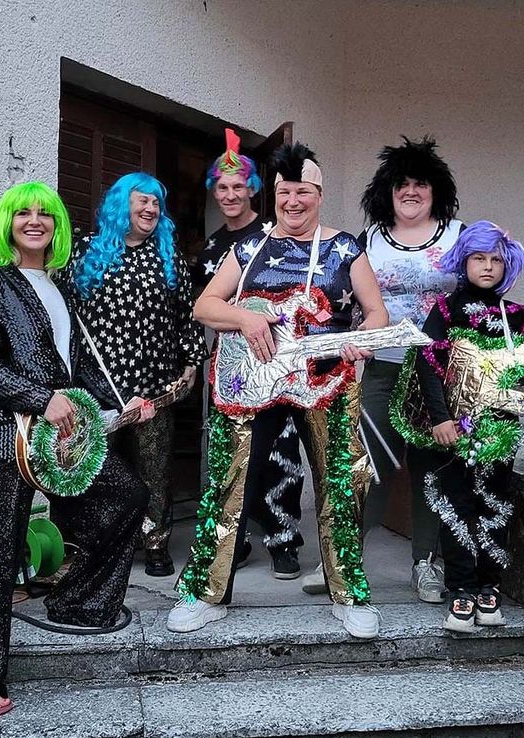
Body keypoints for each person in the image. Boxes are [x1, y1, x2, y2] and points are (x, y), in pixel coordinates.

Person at [0, 182, 151, 718]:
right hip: (7, 436)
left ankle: (78, 602)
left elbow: (80, 366)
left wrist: (121, 401)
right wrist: (40, 398)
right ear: (6, 224)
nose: (35, 221)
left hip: (63, 438)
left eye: (45, 214)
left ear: (57, 226)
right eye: (22, 213)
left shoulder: (60, 287)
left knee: (127, 496)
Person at [168, 142, 389, 639]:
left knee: (340, 483)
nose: (293, 201)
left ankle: (350, 594)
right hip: (255, 382)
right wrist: (245, 318)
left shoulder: (344, 248)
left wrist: (363, 340)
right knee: (229, 483)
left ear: (319, 195)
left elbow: (376, 311)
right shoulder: (248, 248)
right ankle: (205, 593)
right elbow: (205, 306)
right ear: (275, 195)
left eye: (303, 192)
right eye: (285, 192)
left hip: (326, 380)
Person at [302, 137, 463, 603]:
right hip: (382, 367)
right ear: (386, 192)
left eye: (420, 184)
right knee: (368, 464)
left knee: (430, 466)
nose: (410, 192)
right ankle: (341, 560)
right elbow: (345, 300)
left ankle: (425, 564)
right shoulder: (368, 240)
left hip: (440, 374)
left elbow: (482, 289)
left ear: (436, 190)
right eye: (401, 184)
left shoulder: (459, 236)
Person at [391, 220, 524, 632]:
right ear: (464, 262)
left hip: (498, 429)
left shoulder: (515, 316)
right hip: (454, 429)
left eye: (495, 260)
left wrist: (523, 382)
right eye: (478, 258)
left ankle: (490, 586)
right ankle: (461, 589)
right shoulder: (447, 310)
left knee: (495, 502)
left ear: (507, 265)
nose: (487, 267)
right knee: (457, 505)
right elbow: (427, 362)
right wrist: (440, 418)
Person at [70, 172, 208, 577]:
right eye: (142, 200)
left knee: (154, 468)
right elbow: (64, 311)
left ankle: (156, 543)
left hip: (154, 383)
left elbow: (185, 314)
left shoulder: (167, 255)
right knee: (99, 469)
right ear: (121, 204)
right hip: (97, 384)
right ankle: (104, 543)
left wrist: (191, 362)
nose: (151, 208)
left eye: (156, 202)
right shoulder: (86, 250)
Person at [198, 129, 304, 579]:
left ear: (253, 190)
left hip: (278, 363)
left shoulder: (272, 236)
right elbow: (206, 308)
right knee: (233, 455)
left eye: (238, 186)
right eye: (222, 187)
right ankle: (234, 539)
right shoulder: (211, 247)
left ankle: (283, 539)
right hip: (232, 368)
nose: (230, 194)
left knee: (282, 454)